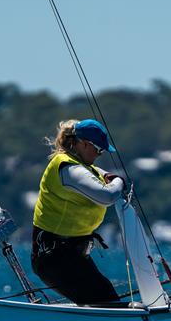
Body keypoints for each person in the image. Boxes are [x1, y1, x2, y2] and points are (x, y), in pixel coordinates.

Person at [31, 118, 125, 305]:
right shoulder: (68, 168)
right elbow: (107, 196)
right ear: (82, 144)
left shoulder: (81, 165)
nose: (99, 154)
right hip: (54, 258)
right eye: (98, 149)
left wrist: (107, 175)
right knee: (106, 302)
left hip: (71, 255)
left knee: (107, 299)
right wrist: (119, 181)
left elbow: (95, 172)